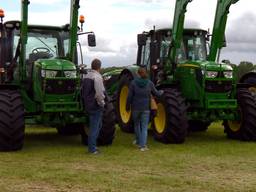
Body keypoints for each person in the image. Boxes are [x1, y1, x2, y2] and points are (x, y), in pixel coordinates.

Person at [126, 67, 163, 151]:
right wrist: (162, 92)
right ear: (145, 73)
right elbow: (157, 93)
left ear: (138, 74)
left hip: (135, 108)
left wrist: (127, 107)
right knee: (144, 127)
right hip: (146, 108)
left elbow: (129, 97)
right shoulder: (149, 83)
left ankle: (138, 141)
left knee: (136, 125)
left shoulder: (133, 83)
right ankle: (143, 146)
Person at [82, 58, 105, 154]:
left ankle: (93, 146)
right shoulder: (97, 77)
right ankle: (92, 149)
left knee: (97, 126)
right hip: (95, 105)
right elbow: (99, 93)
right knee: (95, 128)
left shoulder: (86, 76)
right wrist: (102, 103)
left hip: (88, 104)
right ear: (99, 67)